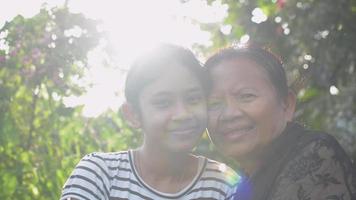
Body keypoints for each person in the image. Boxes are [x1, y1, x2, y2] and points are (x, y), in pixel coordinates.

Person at [60, 44, 239, 200]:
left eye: (193, 99)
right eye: (163, 103)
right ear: (133, 115)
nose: (183, 114)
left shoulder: (226, 185)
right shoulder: (99, 173)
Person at [204, 44, 356, 200]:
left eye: (246, 96)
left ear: (286, 104)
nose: (229, 114)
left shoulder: (316, 156)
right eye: (214, 104)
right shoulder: (239, 185)